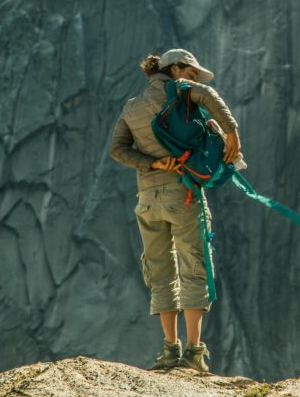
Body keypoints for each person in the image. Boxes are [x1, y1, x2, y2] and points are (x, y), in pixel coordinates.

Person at [109, 48, 241, 372]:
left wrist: (150, 162)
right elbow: (208, 95)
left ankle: (169, 350)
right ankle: (194, 353)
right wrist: (232, 131)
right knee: (193, 265)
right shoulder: (181, 92)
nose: (193, 81)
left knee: (160, 272)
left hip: (147, 200)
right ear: (176, 69)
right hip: (181, 194)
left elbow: (117, 149)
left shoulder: (132, 107)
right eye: (191, 74)